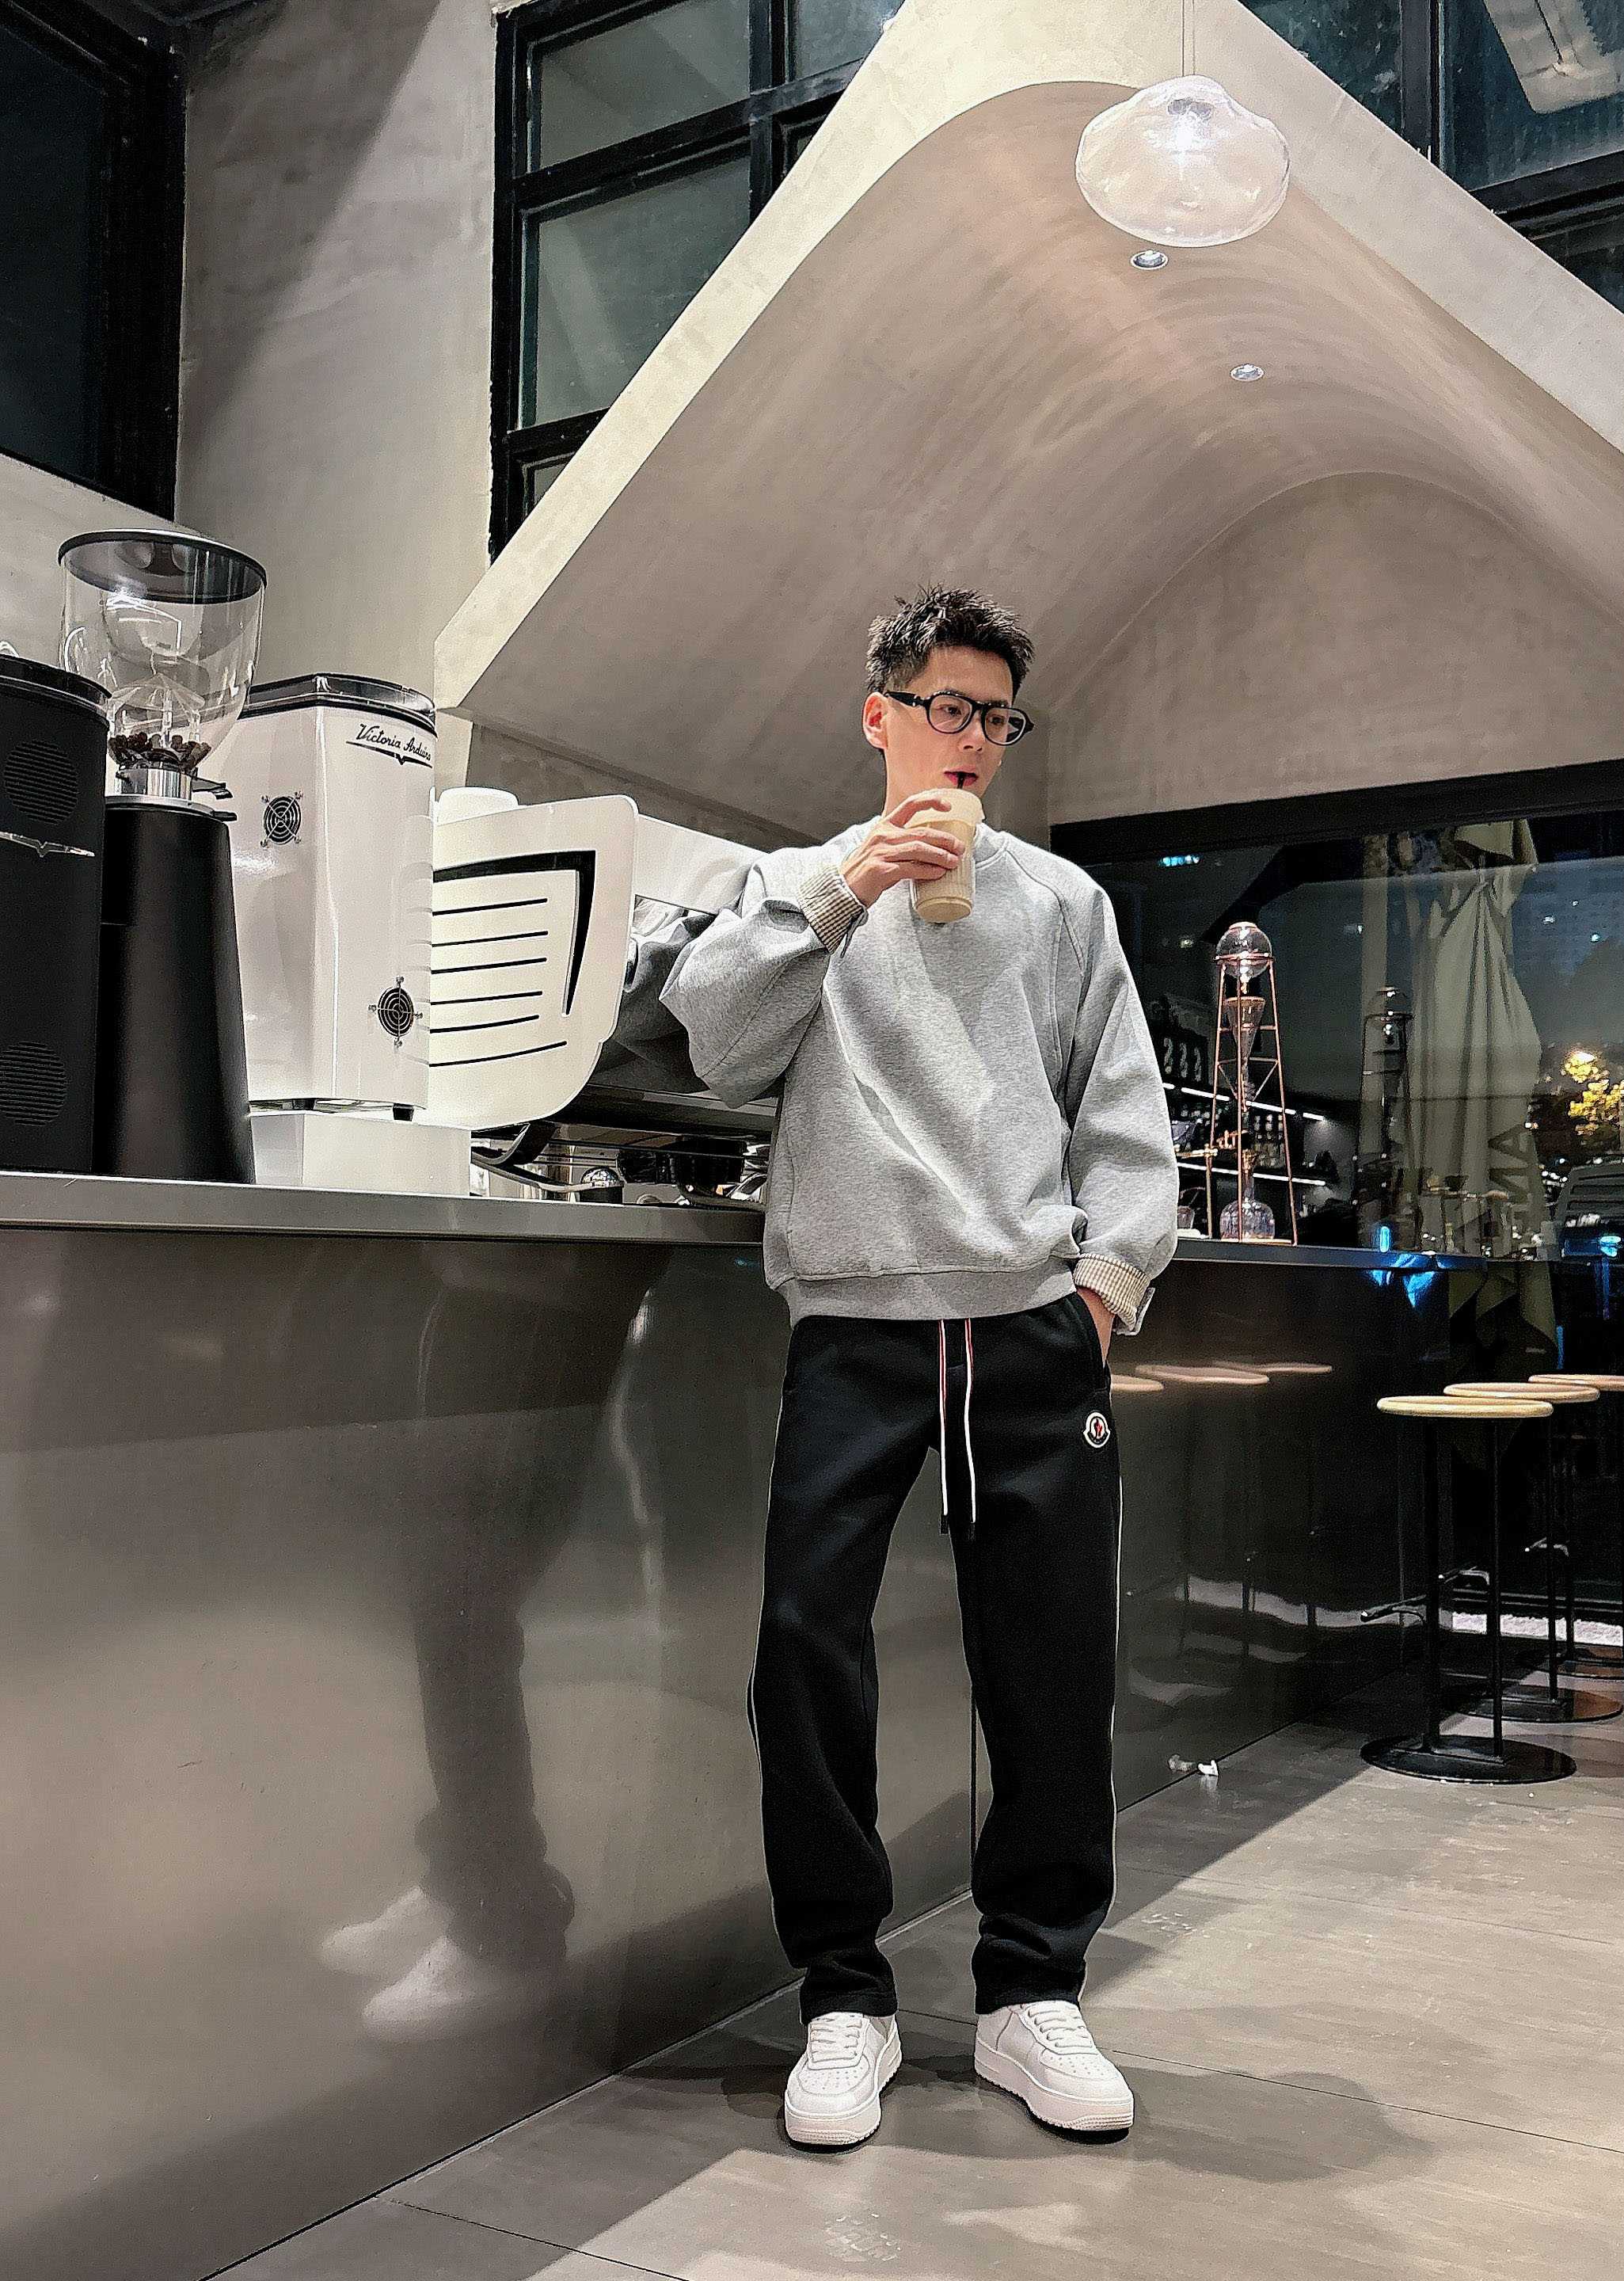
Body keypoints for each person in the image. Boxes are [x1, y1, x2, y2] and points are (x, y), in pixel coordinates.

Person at [660, 585, 1177, 2148]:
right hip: (854, 1328)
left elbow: (1123, 1112)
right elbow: (713, 1048)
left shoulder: (1061, 903)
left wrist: (1102, 1290)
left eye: (995, 717)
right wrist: (846, 886)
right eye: (946, 707)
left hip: (1028, 1329)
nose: (972, 740)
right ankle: (844, 1997)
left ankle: (1033, 1991)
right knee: (806, 1652)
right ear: (879, 714)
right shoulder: (793, 888)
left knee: (1053, 1662)